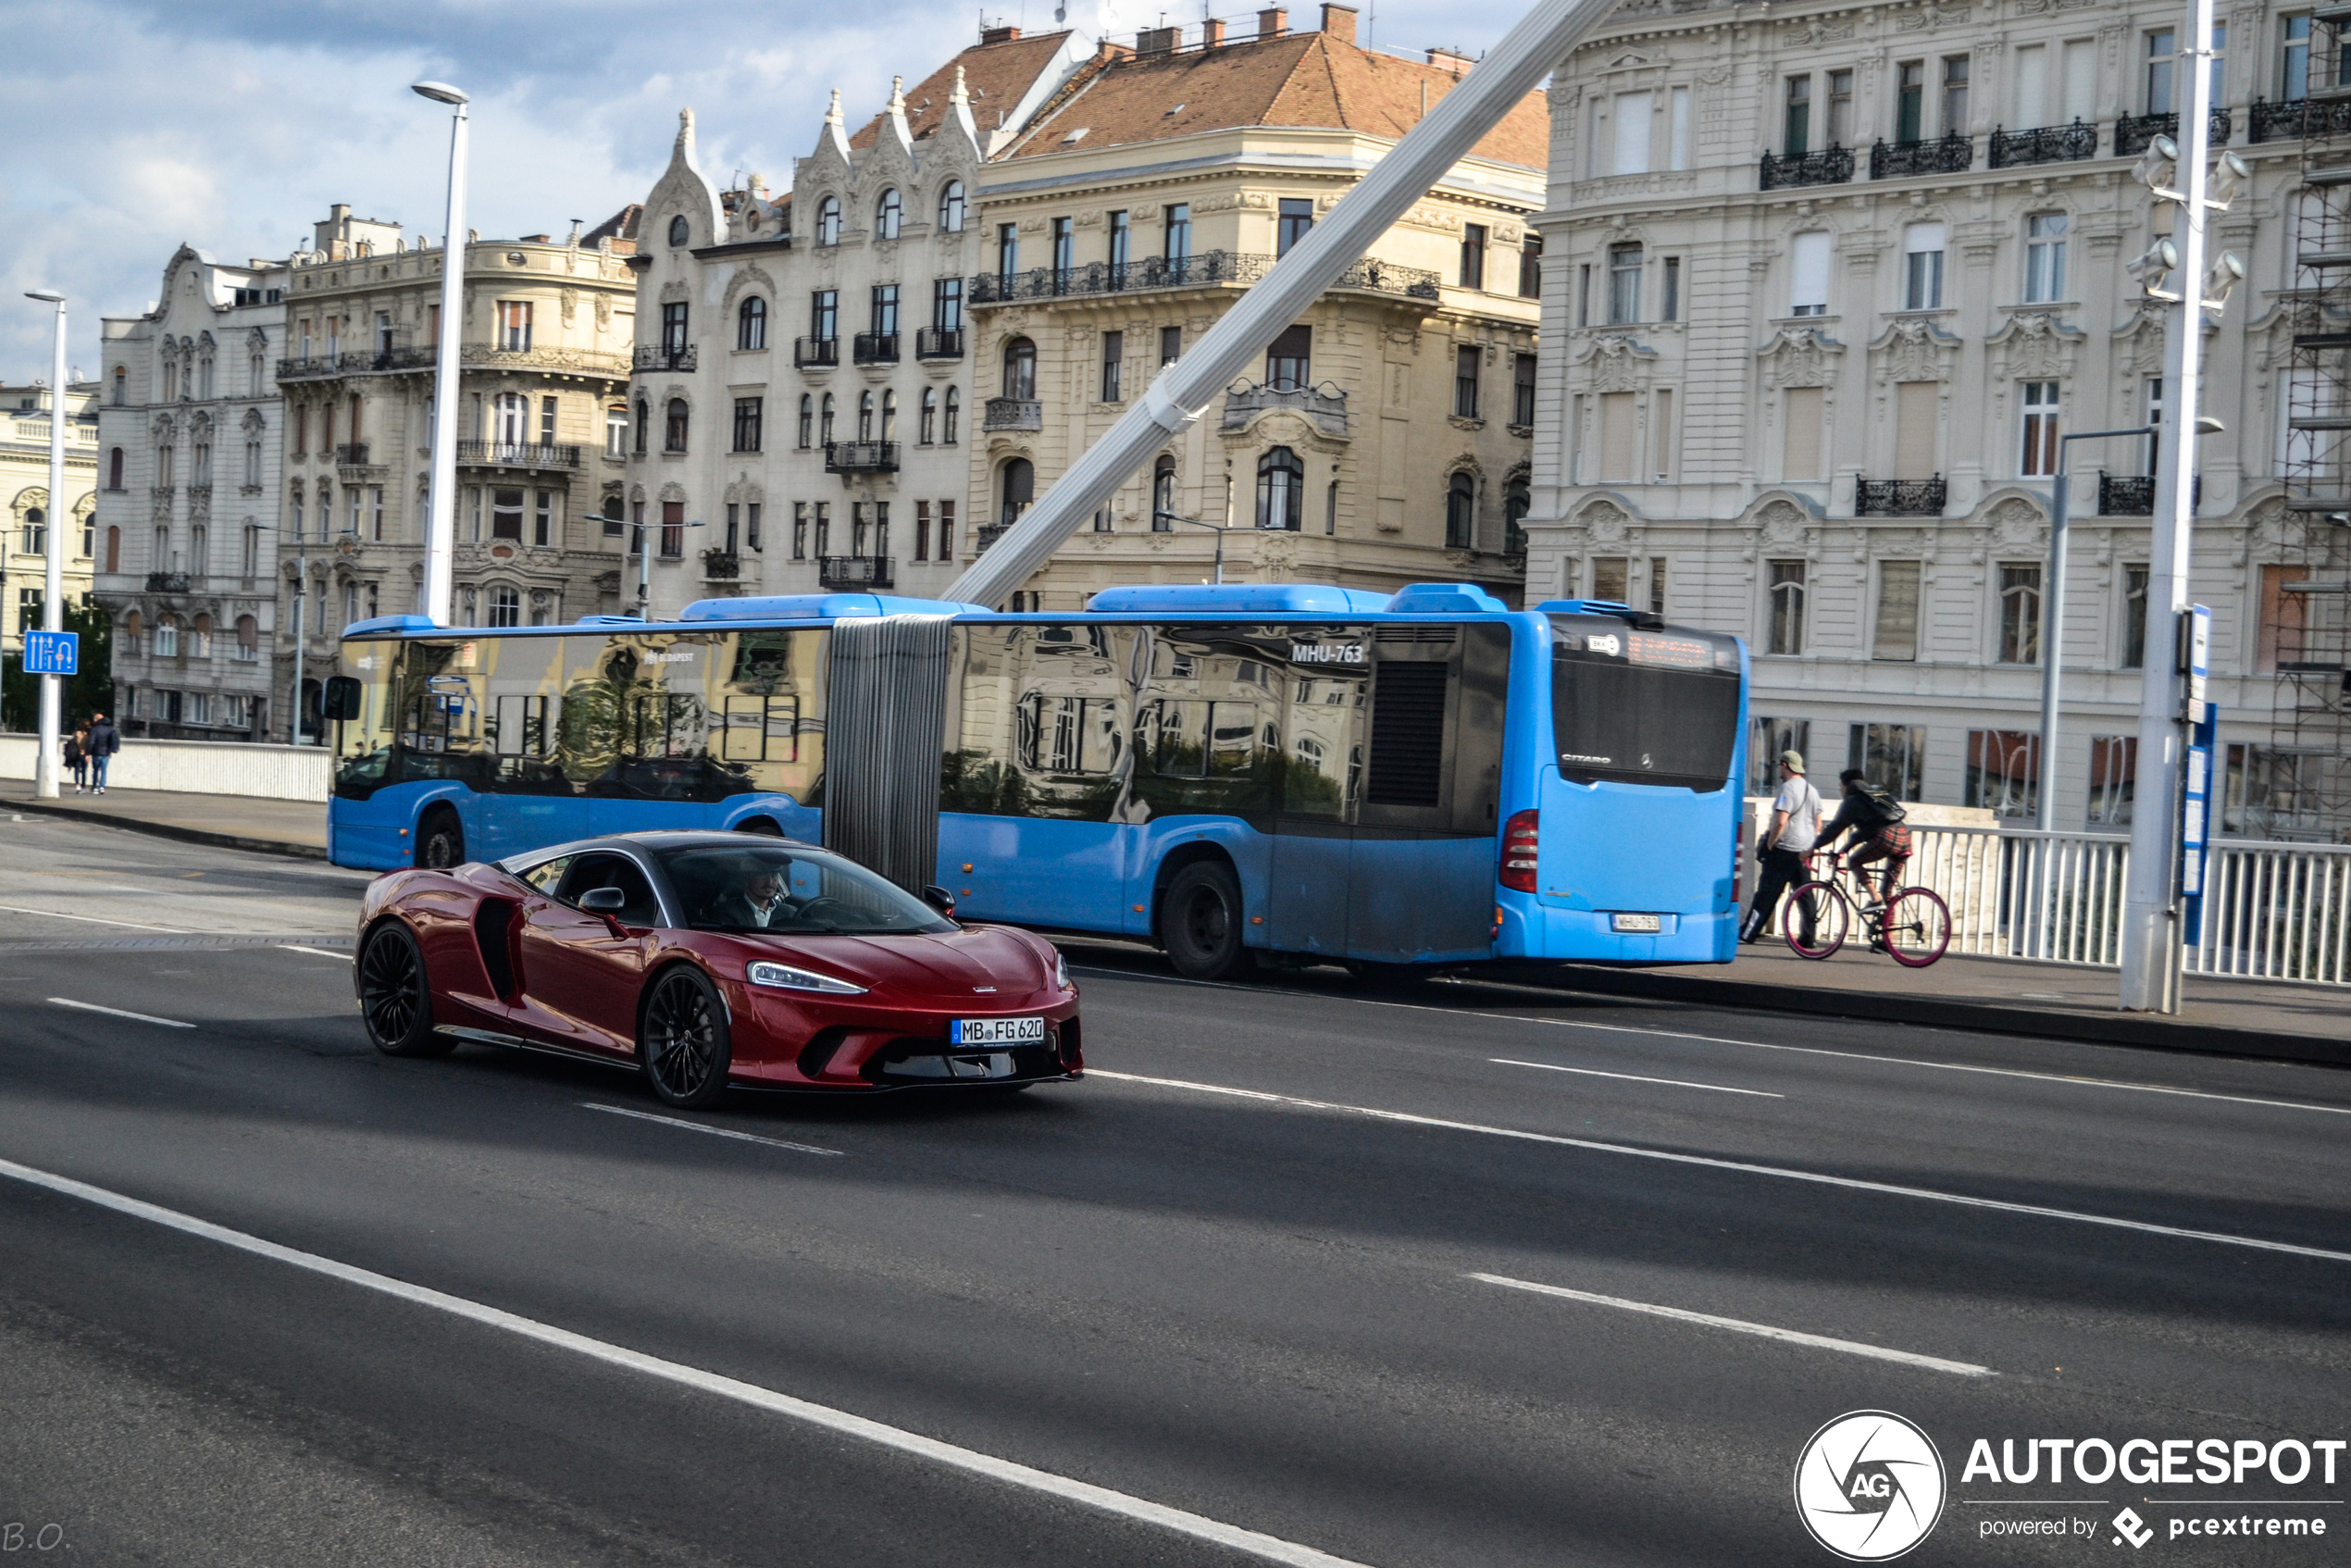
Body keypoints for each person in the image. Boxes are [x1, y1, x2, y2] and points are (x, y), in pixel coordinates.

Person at [1741, 749, 1823, 944]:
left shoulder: (1788, 789)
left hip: (1784, 849)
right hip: (1803, 850)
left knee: (1767, 894)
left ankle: (1748, 932)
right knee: (1805, 895)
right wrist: (1810, 843)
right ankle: (1808, 937)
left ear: (1785, 766)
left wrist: (1770, 843)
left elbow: (1781, 820)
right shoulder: (1811, 789)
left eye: (1780, 766)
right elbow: (1818, 822)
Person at [1821, 768, 1913, 908]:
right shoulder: (1873, 795)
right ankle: (1888, 928)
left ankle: (1874, 898)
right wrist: (1842, 851)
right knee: (1887, 894)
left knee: (1854, 861)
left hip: (1888, 837)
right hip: (1905, 837)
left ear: (1846, 785)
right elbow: (1863, 833)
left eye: (1840, 787)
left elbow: (1835, 828)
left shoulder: (1852, 800)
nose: (1840, 791)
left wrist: (1813, 846)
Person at [704, 863, 796, 929]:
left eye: (774, 875)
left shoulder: (790, 913)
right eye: (762, 875)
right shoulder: (727, 912)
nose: (770, 882)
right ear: (747, 880)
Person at [85, 713, 119, 794]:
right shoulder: (111, 729)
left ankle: (95, 787)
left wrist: (88, 753)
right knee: (104, 770)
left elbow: (91, 742)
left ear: (97, 720)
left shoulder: (95, 729)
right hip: (106, 753)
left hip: (96, 753)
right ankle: (102, 787)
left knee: (96, 770)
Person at [63, 725, 86, 792]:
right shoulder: (86, 737)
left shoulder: (75, 736)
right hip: (84, 755)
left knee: (77, 771)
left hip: (76, 755)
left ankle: (77, 785)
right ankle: (83, 786)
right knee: (84, 771)